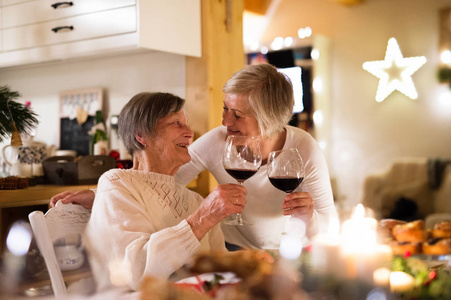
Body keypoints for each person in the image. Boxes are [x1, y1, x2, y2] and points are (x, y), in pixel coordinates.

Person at [52, 64, 337, 250]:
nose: (225, 121)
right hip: (230, 250)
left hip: (288, 252)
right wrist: (100, 193)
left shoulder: (305, 149)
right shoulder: (218, 141)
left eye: (237, 115)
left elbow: (330, 227)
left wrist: (310, 218)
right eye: (225, 108)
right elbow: (158, 182)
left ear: (269, 121)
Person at [82, 92, 246, 291]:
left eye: (186, 123)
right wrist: (202, 219)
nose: (189, 132)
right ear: (141, 135)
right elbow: (136, 273)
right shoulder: (117, 183)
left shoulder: (194, 200)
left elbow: (219, 268)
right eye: (176, 123)